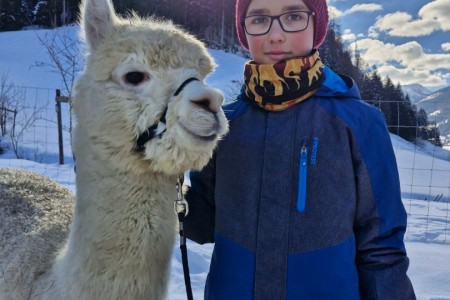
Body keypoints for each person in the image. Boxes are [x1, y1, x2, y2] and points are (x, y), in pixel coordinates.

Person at [184, 0, 416, 298]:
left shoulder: (359, 124)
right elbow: (203, 223)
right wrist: (153, 179)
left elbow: (382, 246)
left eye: (293, 16)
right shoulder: (223, 124)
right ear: (244, 31)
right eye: (258, 19)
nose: (275, 35)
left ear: (316, 25)